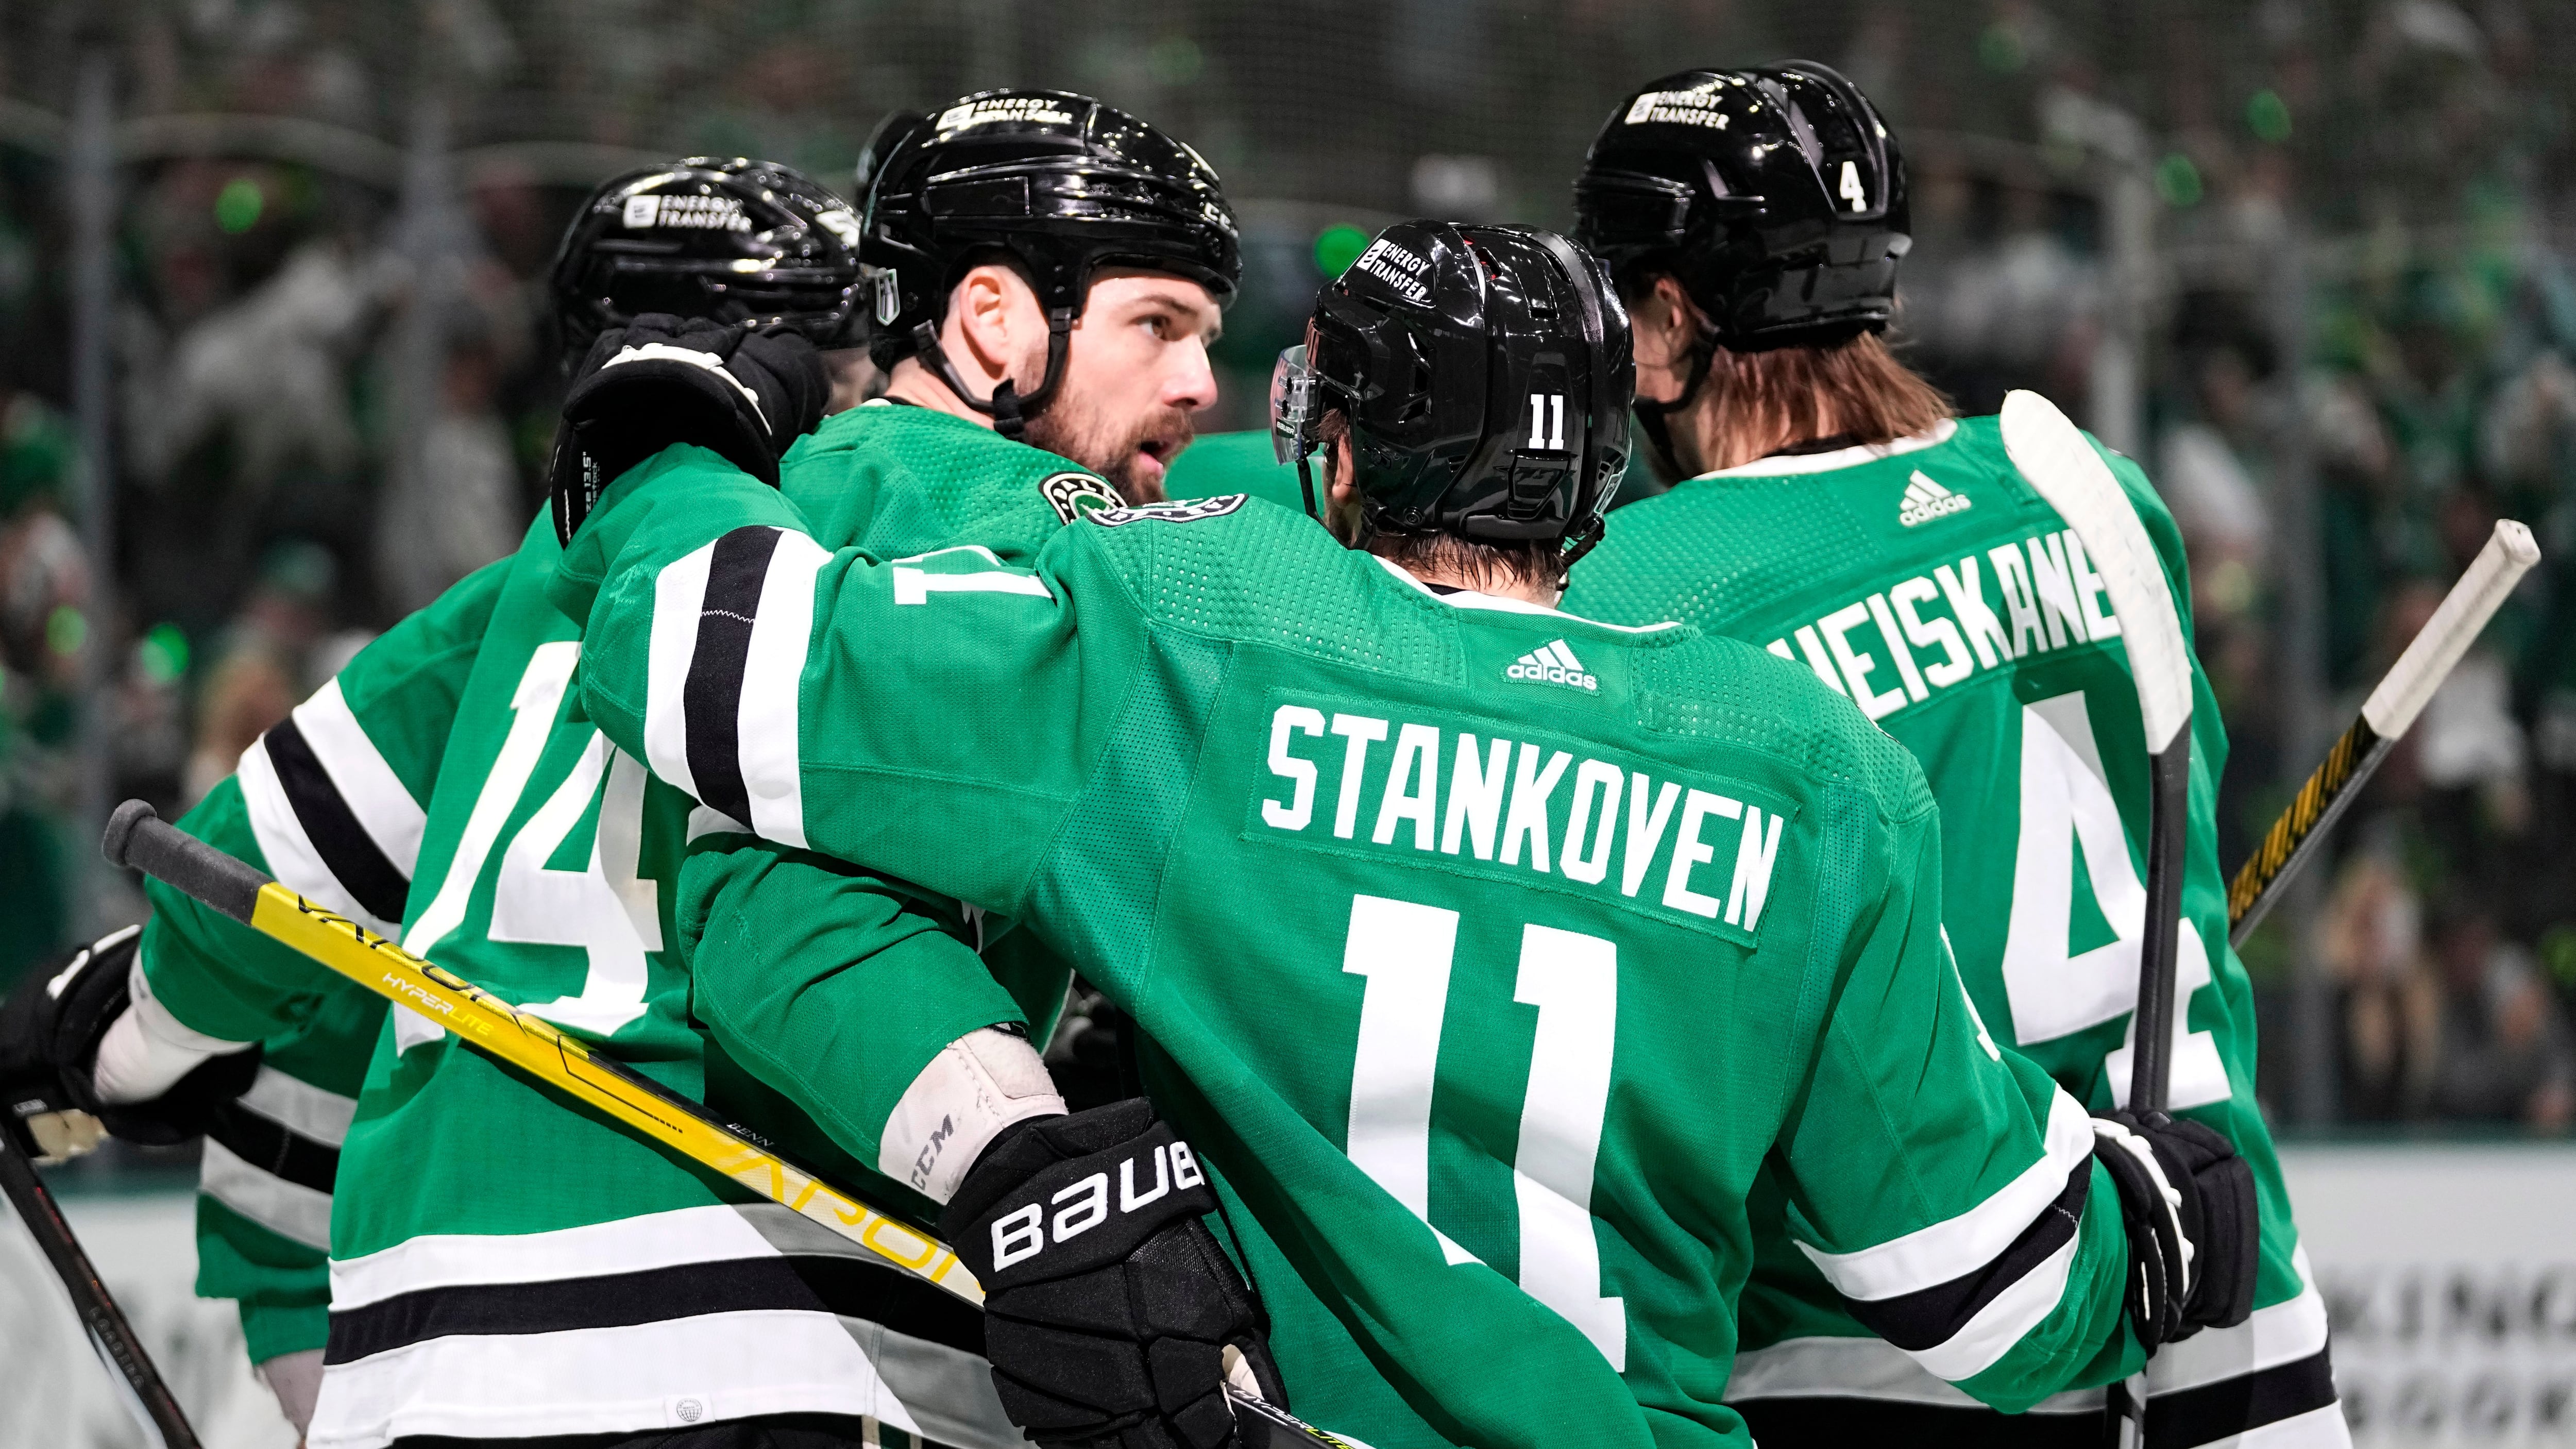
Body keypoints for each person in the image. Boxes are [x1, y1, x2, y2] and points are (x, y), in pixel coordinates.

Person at [553, 217, 2258, 1449]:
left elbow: (718, 672)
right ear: (1605, 476)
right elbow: (1990, 1291)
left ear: (1340, 453)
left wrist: (673, 444)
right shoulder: (1805, 763)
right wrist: (2149, 1221)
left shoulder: (1196, 624)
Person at [1, 156, 1058, 1449]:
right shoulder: (872, 560)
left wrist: (122, 1034)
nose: (866, 390)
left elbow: (256, 868)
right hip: (744, 1297)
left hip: (413, 1314)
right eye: (844, 356)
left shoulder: (524, 602)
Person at [1558, 63, 2346, 1446]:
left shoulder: (1636, 594)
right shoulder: (2091, 494)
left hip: (1859, 1347)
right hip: (2205, 1289)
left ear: (1670, 321)